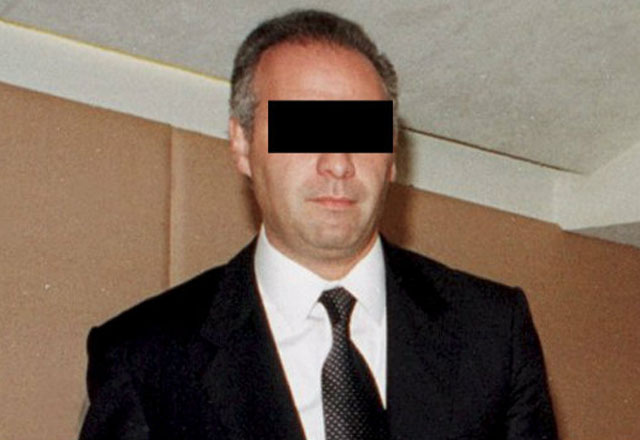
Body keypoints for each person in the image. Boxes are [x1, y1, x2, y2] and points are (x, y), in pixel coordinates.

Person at [79, 9, 557, 440]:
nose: (338, 163)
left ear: (393, 155)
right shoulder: (146, 357)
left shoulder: (492, 332)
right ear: (242, 144)